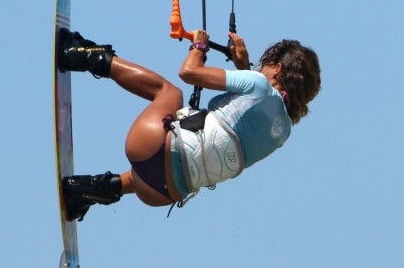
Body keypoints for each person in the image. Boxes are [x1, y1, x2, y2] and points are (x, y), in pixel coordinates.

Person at [58, 28, 321, 221]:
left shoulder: (258, 84)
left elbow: (189, 72)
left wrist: (199, 46)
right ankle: (86, 191)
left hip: (146, 146)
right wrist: (244, 67)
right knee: (190, 158)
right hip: (158, 193)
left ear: (277, 69)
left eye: (266, 65)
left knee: (170, 94)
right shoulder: (283, 133)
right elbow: (246, 115)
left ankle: (79, 55)